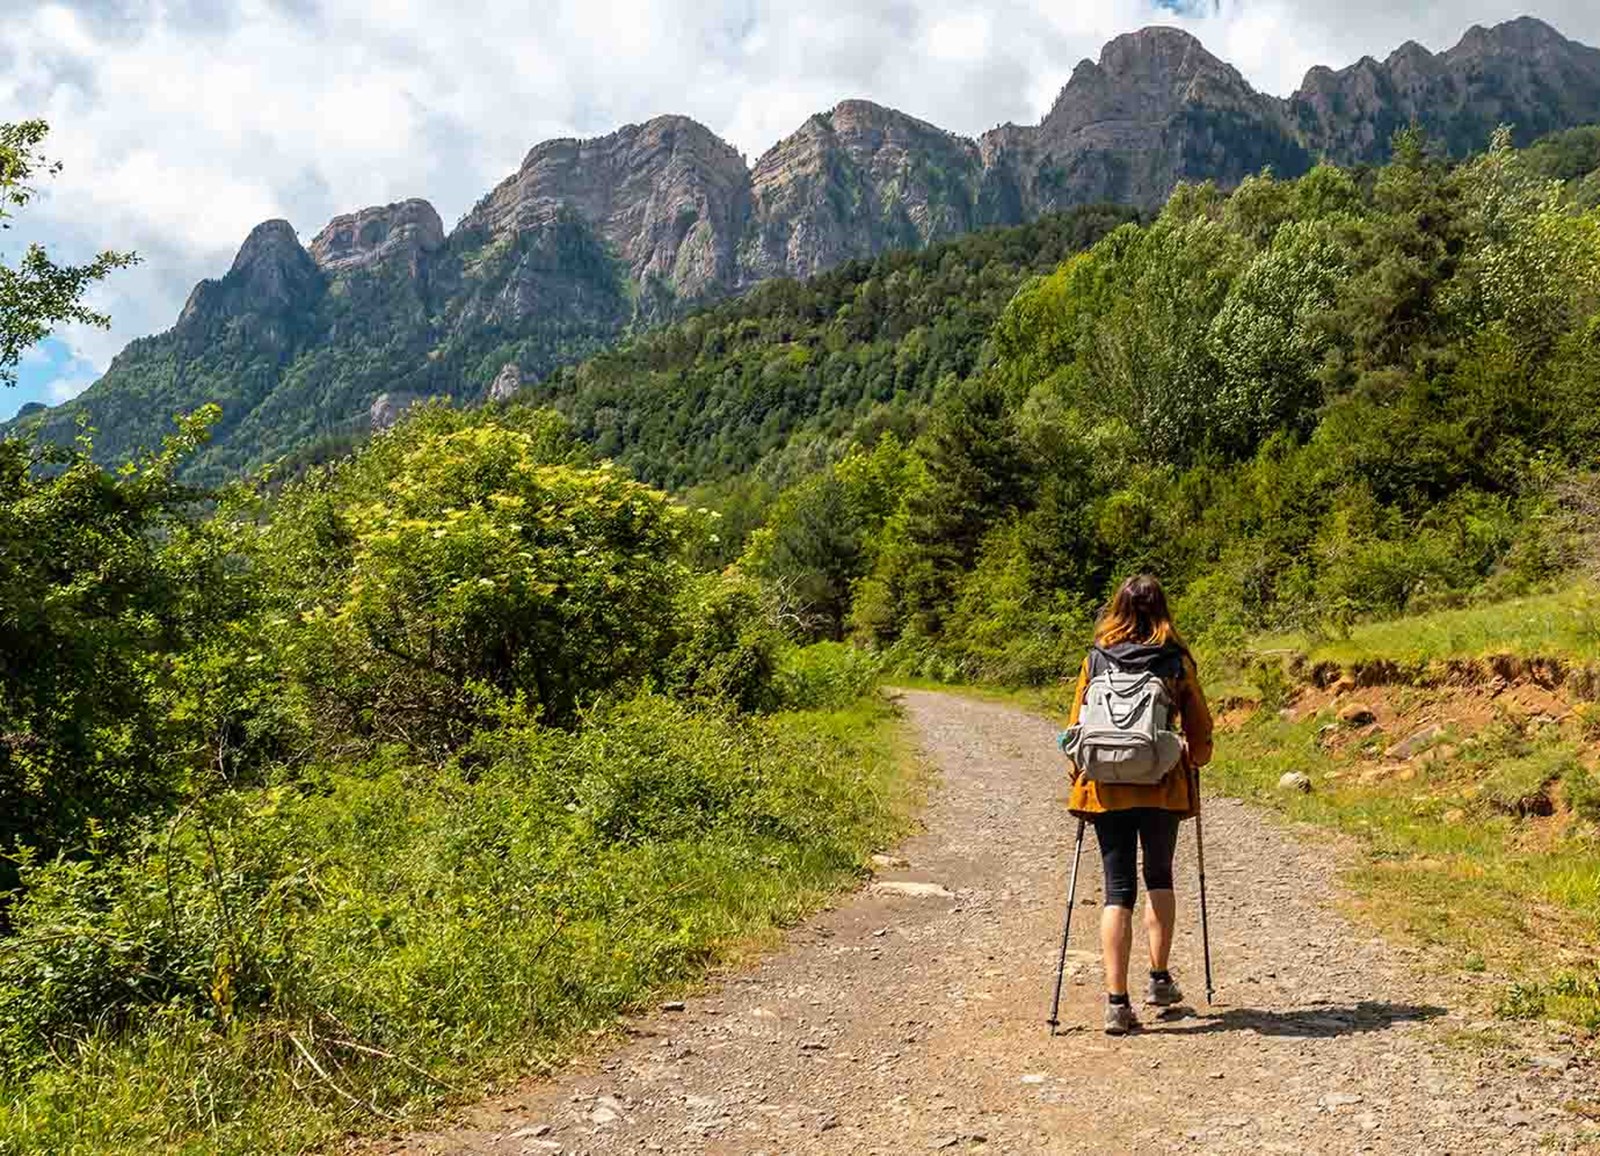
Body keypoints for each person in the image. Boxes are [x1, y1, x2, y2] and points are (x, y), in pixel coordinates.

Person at [1064, 574, 1214, 1035]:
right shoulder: (1175, 661)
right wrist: (1194, 757)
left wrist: (1082, 775)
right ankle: (1158, 979)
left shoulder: (1096, 657)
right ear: (1162, 608)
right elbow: (1201, 734)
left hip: (1106, 786)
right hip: (1161, 783)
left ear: (1117, 608)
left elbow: (1075, 729)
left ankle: (1115, 1002)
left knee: (1117, 889)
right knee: (1159, 876)